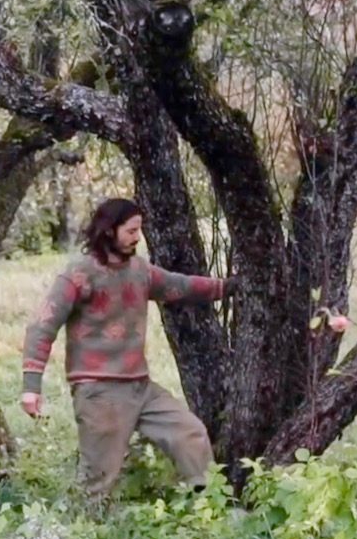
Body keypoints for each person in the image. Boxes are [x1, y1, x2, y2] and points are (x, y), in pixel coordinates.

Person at [20, 197, 232, 501]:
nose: (137, 237)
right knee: (98, 481)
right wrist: (31, 386)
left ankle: (209, 507)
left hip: (140, 387)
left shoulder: (140, 270)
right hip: (99, 391)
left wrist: (227, 287)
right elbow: (43, 324)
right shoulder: (80, 273)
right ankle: (86, 538)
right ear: (109, 231)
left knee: (190, 434)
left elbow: (179, 286)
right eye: (131, 231)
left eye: (139, 230)